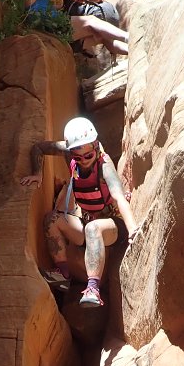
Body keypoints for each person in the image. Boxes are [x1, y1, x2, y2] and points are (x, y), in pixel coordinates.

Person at [20, 116, 138, 307]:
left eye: (88, 156)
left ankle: (93, 289)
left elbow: (118, 196)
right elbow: (39, 148)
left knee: (93, 229)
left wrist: (132, 229)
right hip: (88, 220)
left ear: (95, 145)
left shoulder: (104, 165)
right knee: (51, 220)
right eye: (78, 157)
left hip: (113, 225)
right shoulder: (70, 153)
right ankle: (63, 275)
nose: (83, 161)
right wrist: (38, 173)